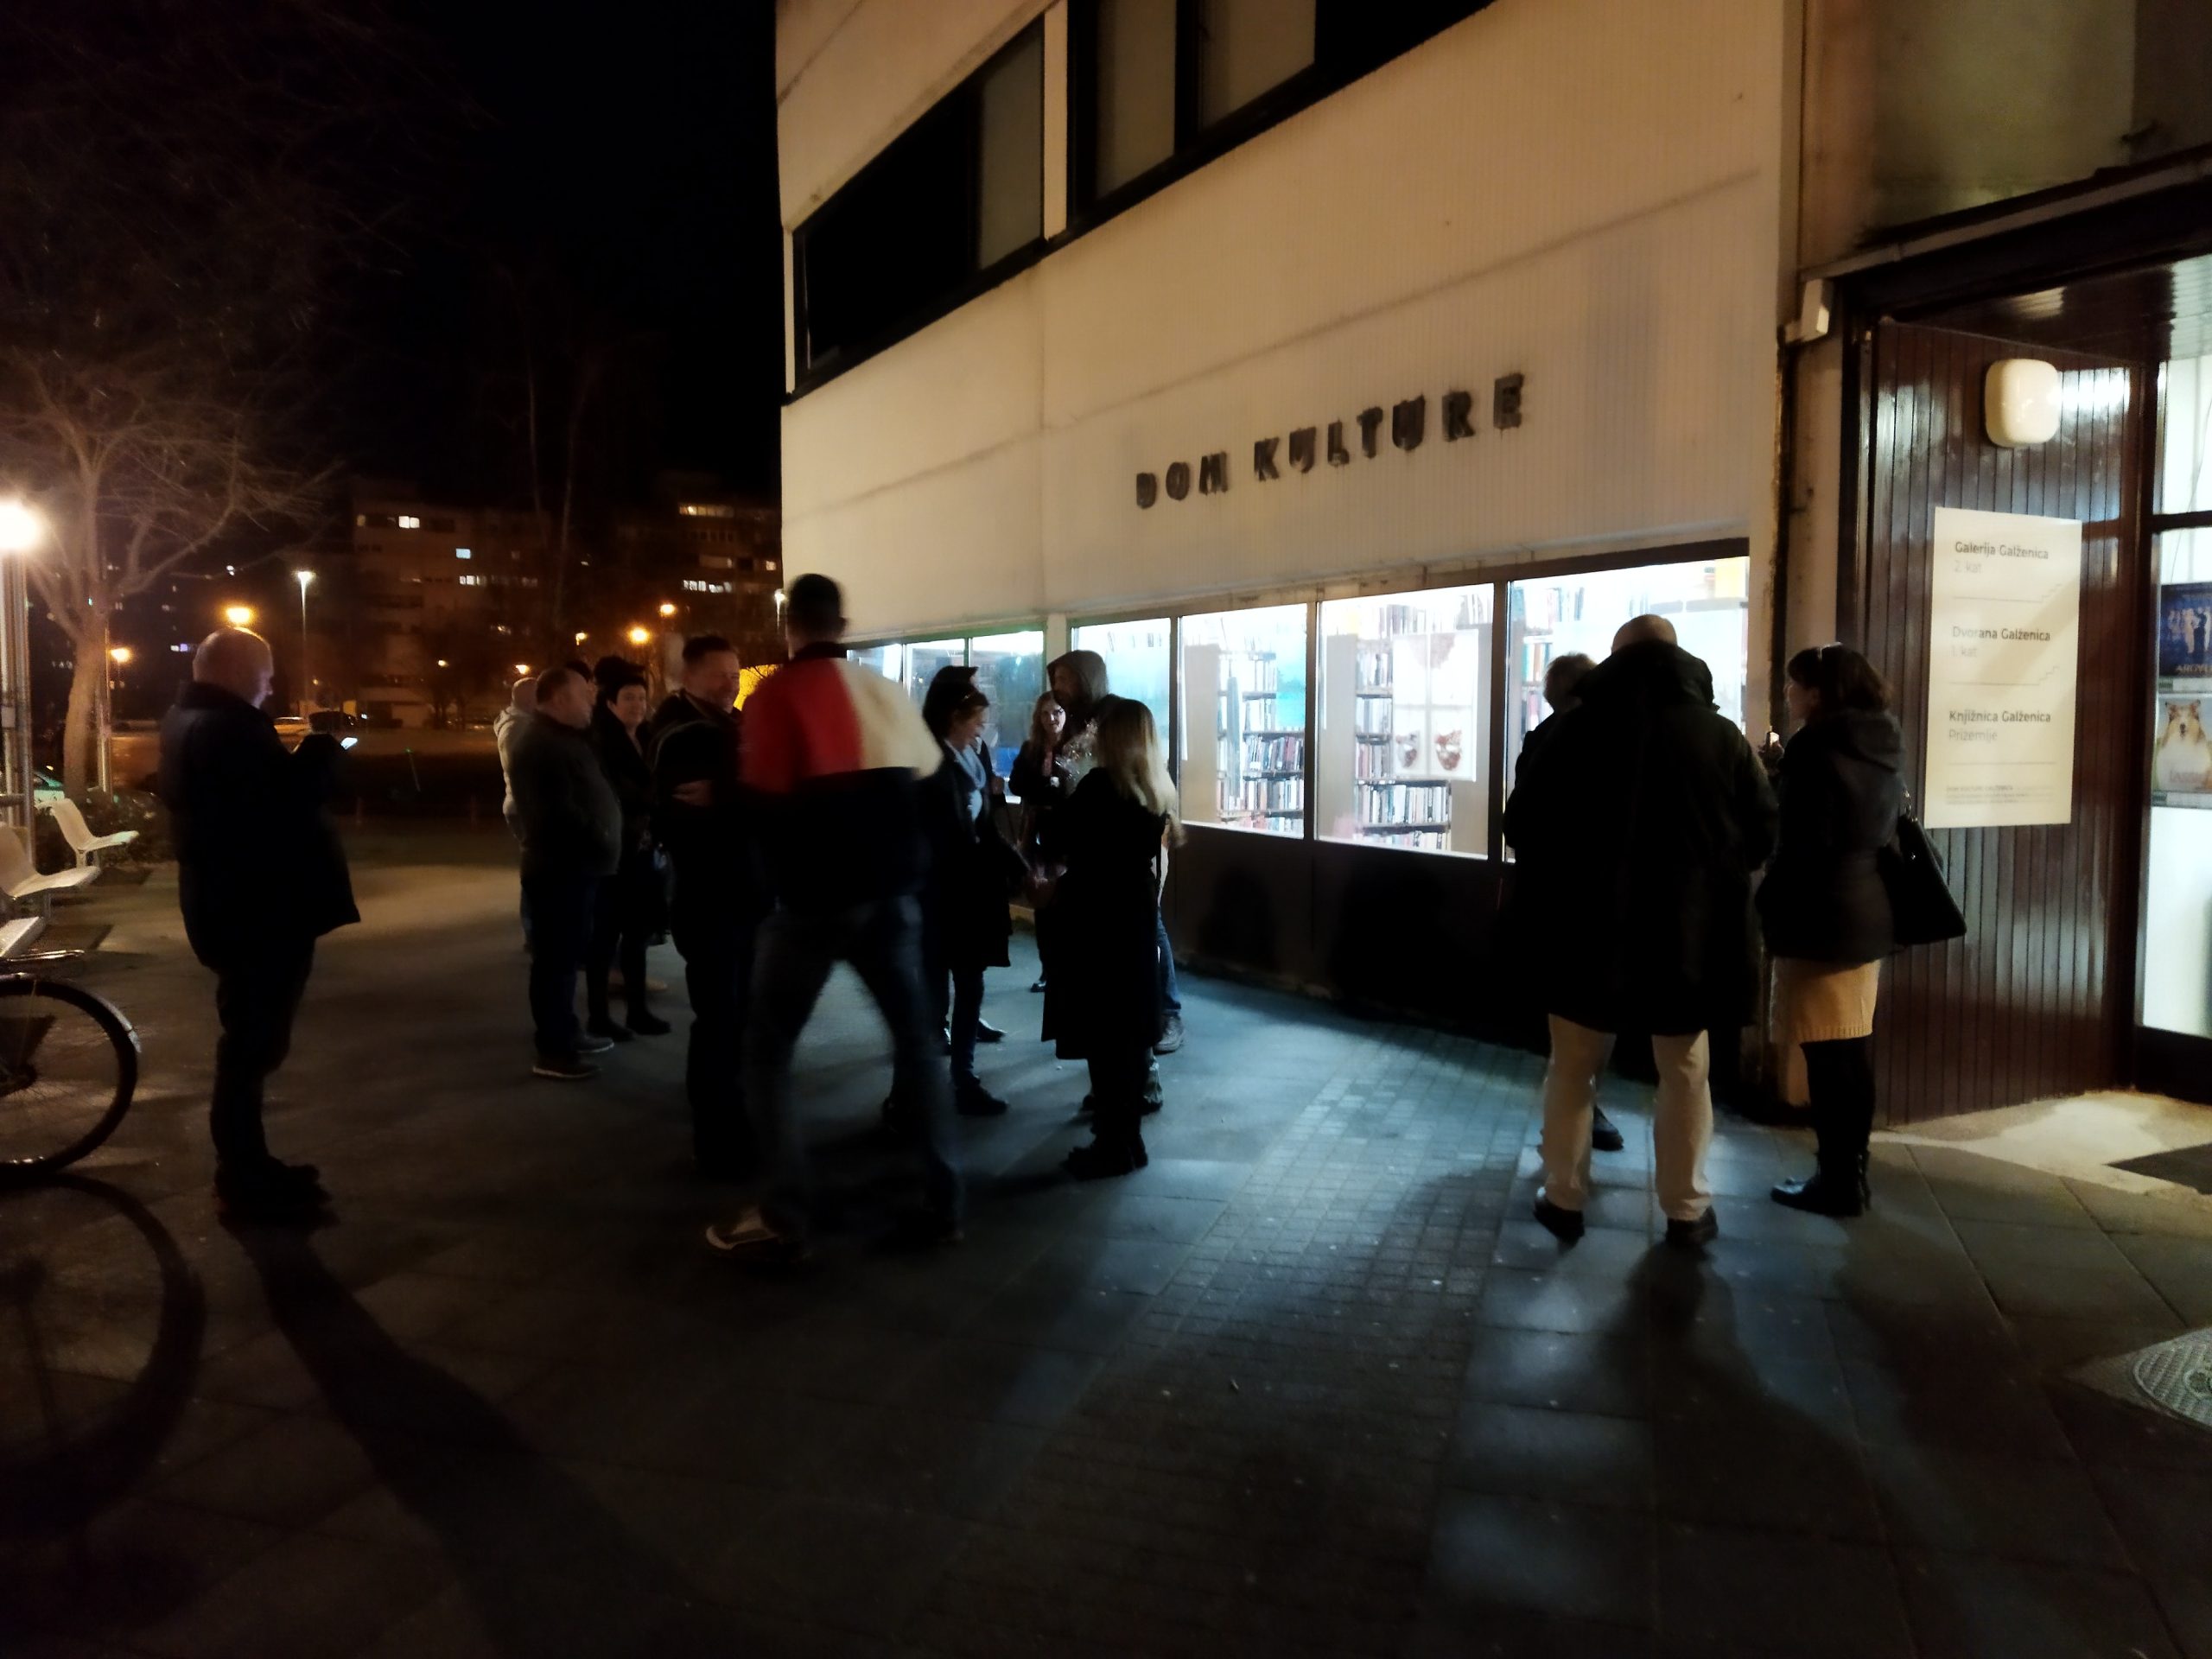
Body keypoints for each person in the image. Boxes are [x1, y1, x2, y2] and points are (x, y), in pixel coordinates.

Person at [707, 575, 961, 1258]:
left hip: (813, 904)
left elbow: (758, 801)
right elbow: (936, 786)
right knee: (916, 1043)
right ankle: (943, 1200)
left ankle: (785, 1211)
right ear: (842, 626)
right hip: (894, 897)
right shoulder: (884, 692)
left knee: (768, 1049)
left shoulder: (775, 695)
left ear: (789, 626)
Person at [1503, 614, 1777, 1249]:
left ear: (1614, 660)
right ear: (1679, 657)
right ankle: (1686, 1208)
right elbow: (1763, 833)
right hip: (1689, 934)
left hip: (1584, 932)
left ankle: (1564, 1198)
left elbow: (1522, 826)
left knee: (1574, 1067)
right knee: (1684, 1069)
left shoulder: (1571, 731)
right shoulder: (1720, 737)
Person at [158, 628, 358, 1222]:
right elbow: (277, 807)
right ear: (239, 671)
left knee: (248, 1042)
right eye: (267, 676)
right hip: (258, 914)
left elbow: (246, 801)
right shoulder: (228, 729)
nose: (270, 688)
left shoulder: (189, 719)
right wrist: (324, 750)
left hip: (231, 908)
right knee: (251, 1047)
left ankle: (249, 1165)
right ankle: (243, 1176)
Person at [1758, 644, 1904, 1217]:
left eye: (1795, 684)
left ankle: (1837, 1181)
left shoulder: (1815, 749)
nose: (1789, 693)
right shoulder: (1879, 742)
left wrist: (1775, 781)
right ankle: (1850, 1173)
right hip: (1866, 909)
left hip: (1821, 915)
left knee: (1828, 1058)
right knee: (1850, 1050)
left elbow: (1798, 841)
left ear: (1817, 694)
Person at [1044, 696, 1180, 1179]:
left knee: (1104, 1039)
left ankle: (1111, 1146)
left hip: (1096, 921)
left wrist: (1063, 783)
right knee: (1127, 1037)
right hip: (1134, 919)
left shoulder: (1100, 786)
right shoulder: (1153, 790)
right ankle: (1128, 1139)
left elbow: (1057, 837)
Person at [647, 633, 762, 1176]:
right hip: (710, 897)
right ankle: (715, 1138)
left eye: (735, 674)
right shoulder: (683, 734)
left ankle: (732, 1117)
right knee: (719, 1018)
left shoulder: (727, 724)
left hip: (743, 894)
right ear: (687, 675)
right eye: (720, 674)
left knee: (736, 1016)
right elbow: (687, 819)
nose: (730, 683)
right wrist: (745, 794)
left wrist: (732, 792)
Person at [1508, 652, 1625, 1155]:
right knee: (1596, 1015)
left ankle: (1567, 1133)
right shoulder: (1617, 740)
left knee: (1566, 1018)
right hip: (1605, 900)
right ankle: (1578, 1123)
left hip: (1551, 897)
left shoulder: (1541, 741)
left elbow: (1518, 825)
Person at [1046, 651, 1185, 1057]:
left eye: (1066, 679)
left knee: (1139, 944)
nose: (1059, 688)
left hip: (1106, 879)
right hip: (1124, 877)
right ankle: (1148, 1037)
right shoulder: (1139, 786)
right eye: (1056, 679)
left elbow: (1062, 829)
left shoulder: (1107, 750)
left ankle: (1167, 1013)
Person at [918, 666, 1025, 1117]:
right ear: (952, 717)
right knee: (937, 984)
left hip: (971, 892)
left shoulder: (970, 757)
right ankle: (926, 1086)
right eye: (976, 719)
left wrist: (1018, 868)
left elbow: (984, 827)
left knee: (970, 982)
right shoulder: (927, 763)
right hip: (941, 894)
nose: (982, 727)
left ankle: (962, 1077)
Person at [508, 664, 622, 1081]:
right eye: (583, 694)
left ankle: (566, 1032)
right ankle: (554, 1049)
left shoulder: (562, 739)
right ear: (558, 699)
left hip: (576, 868)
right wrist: (600, 835)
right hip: (560, 870)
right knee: (555, 961)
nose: (592, 700)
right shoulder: (541, 745)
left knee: (565, 958)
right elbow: (555, 814)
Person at [584, 661, 671, 1042]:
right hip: (614, 855)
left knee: (637, 936)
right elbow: (616, 795)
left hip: (646, 853)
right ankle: (599, 1016)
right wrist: (655, 798)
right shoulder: (600, 744)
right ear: (610, 703)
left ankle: (637, 1010)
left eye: (641, 697)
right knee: (604, 938)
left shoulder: (650, 738)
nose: (638, 704)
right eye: (629, 698)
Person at [1009, 691, 1069, 993]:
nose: (1051, 719)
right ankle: (1048, 968)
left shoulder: (1074, 748)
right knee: (1043, 904)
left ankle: (1067, 966)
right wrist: (1045, 788)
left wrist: (1045, 791)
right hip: (1036, 833)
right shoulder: (1031, 749)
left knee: (1065, 903)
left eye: (1057, 712)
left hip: (1065, 836)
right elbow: (1017, 783)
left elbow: (1070, 791)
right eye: (1045, 714)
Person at [494, 673, 537, 947]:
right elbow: (519, 769)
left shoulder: (515, 724)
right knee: (536, 871)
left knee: (536, 869)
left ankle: (535, 931)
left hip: (521, 805)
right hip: (525, 807)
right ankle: (534, 932)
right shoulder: (518, 728)